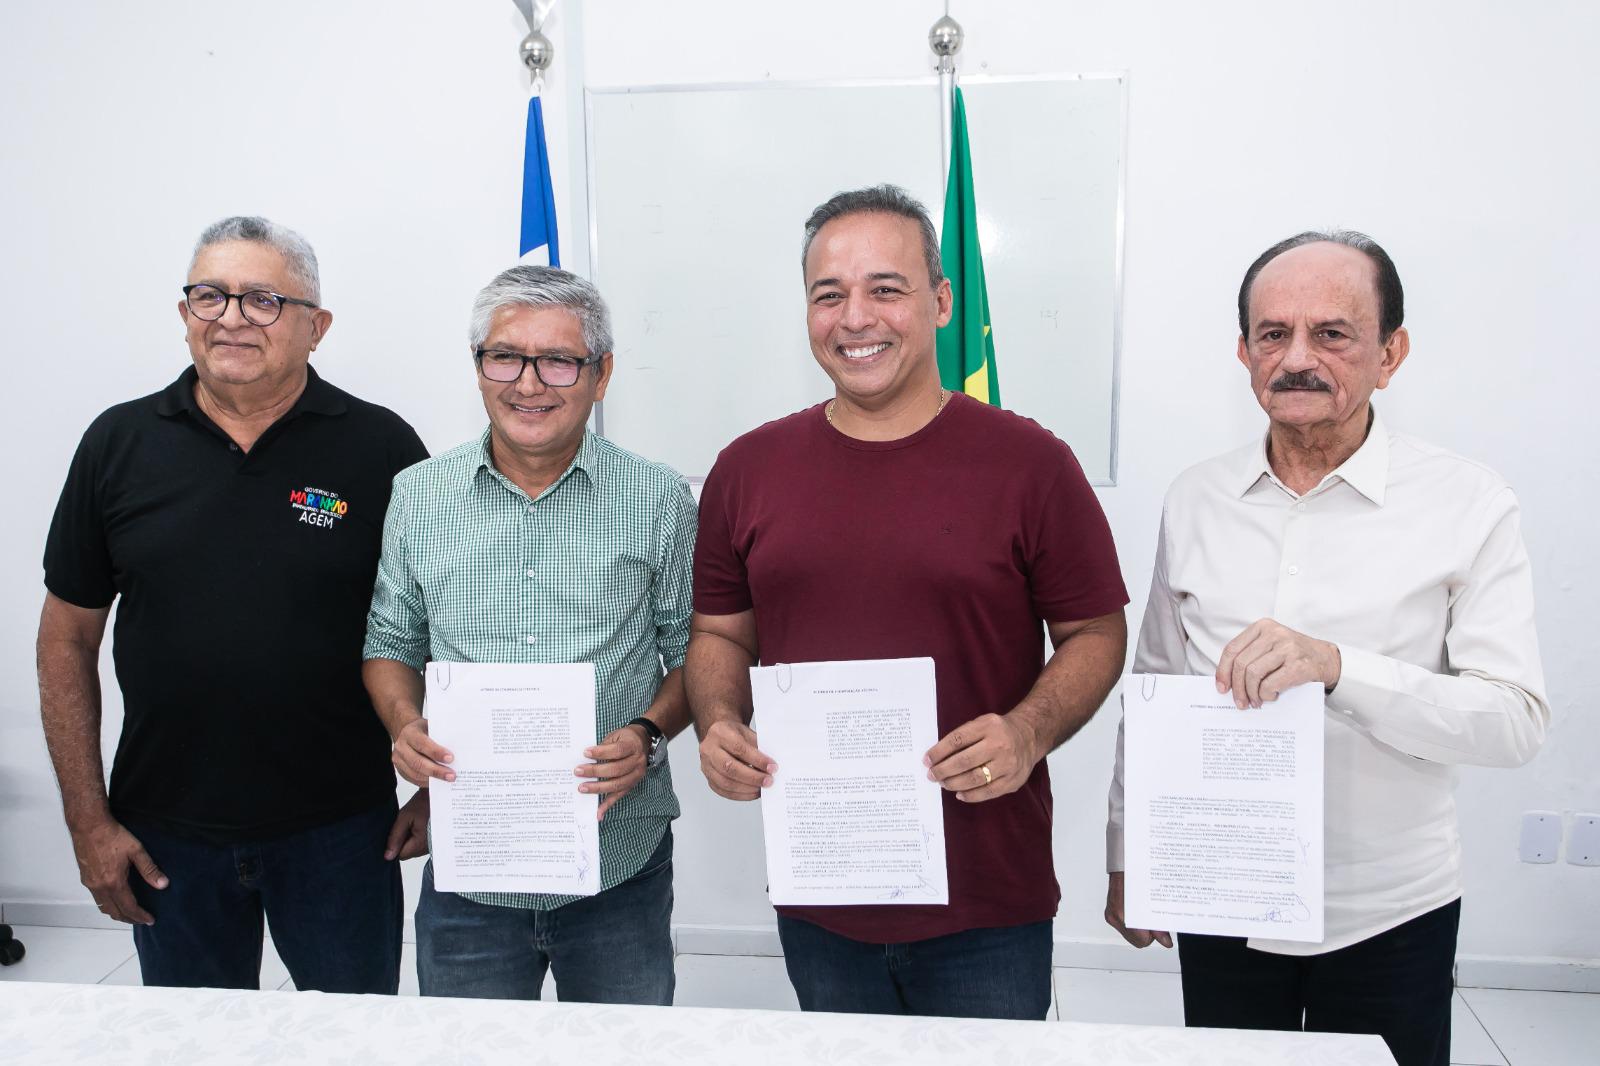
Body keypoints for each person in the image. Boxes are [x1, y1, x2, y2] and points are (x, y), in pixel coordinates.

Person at [1103, 230, 1549, 1066]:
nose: (1298, 358)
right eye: (1273, 334)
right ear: (1244, 353)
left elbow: (1514, 720)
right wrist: (1130, 855)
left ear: (1391, 354)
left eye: (1332, 333)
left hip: (1391, 911)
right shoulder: (1196, 498)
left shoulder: (1468, 502)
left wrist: (1339, 670)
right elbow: (1156, 687)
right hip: (1224, 894)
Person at [688, 185, 1129, 1019]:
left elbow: (1096, 631)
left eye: (885, 289)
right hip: (822, 892)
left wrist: (1028, 731)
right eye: (829, 295)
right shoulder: (746, 469)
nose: (855, 318)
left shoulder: (1031, 464)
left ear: (941, 302)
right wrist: (717, 723)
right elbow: (720, 634)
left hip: (988, 903)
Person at [38, 216, 428, 992]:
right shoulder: (117, 443)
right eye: (210, 296)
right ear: (185, 314)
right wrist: (87, 820)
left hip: (342, 831)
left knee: (351, 1041)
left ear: (316, 327)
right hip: (166, 833)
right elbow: (66, 640)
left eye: (262, 300)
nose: (232, 319)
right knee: (191, 1042)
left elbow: (447, 623)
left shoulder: (381, 448)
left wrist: (440, 789)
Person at [363, 264, 695, 1004]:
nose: (528, 383)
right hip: (470, 867)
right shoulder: (418, 495)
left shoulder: (659, 498)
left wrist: (647, 736)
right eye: (506, 356)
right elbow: (389, 642)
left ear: (601, 374)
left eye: (559, 361)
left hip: (618, 862)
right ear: (478, 365)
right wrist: (404, 725)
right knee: (467, 1052)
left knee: (623, 1055)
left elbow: (694, 654)